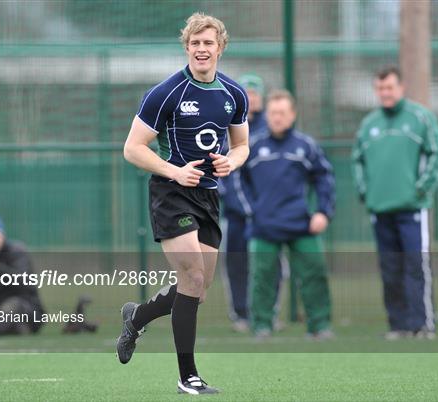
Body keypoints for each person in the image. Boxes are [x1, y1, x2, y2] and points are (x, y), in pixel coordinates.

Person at [117, 13, 249, 395]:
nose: (202, 50)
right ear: (186, 47)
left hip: (207, 195)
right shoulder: (166, 93)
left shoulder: (234, 95)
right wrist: (174, 172)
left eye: (208, 43)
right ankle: (187, 376)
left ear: (220, 47)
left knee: (198, 287)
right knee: (191, 278)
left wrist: (231, 161)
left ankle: (137, 317)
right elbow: (132, 148)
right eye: (195, 43)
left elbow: (241, 146)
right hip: (171, 193)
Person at [351, 66, 438, 340]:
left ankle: (422, 324)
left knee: (415, 265)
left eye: (390, 87)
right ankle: (399, 325)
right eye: (380, 89)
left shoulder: (420, 117)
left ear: (401, 88)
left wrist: (422, 189)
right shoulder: (369, 124)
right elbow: (357, 160)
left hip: (412, 209)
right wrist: (365, 191)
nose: (385, 93)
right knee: (390, 268)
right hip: (380, 210)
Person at [241, 89, 335, 339]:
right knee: (262, 278)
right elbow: (238, 182)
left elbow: (325, 179)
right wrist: (253, 210)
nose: (277, 118)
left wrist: (322, 213)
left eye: (282, 113)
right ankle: (261, 326)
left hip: (301, 224)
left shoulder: (306, 146)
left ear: (292, 115)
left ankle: (320, 326)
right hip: (264, 226)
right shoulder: (253, 146)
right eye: (273, 113)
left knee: (314, 273)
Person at [219, 73, 269, 332]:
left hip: (265, 215)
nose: (250, 98)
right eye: (245, 93)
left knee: (267, 265)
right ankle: (240, 313)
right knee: (236, 264)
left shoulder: (271, 129)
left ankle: (266, 312)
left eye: (255, 93)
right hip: (235, 215)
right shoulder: (226, 126)